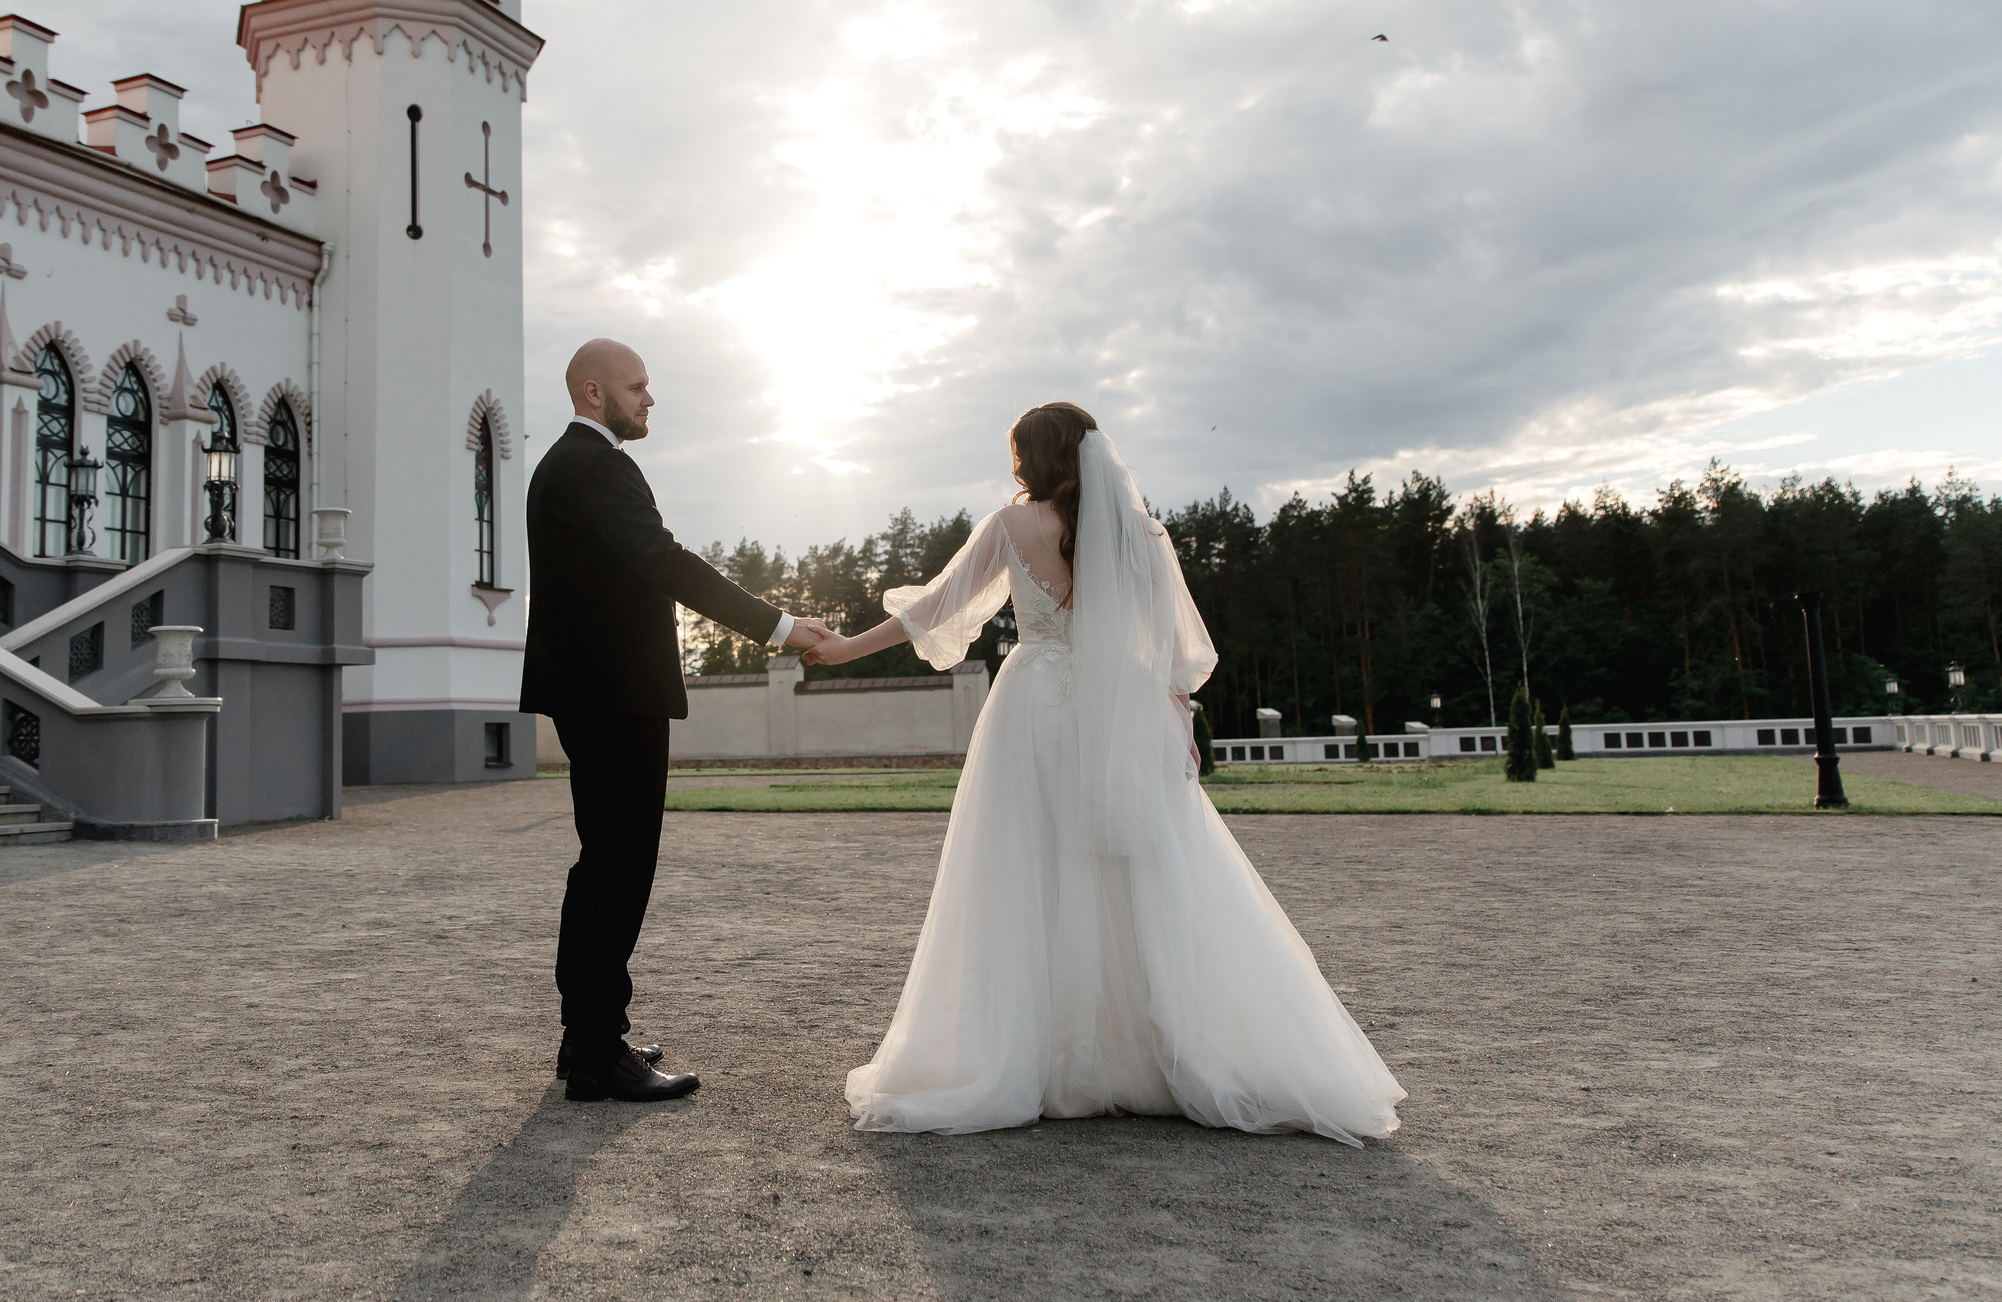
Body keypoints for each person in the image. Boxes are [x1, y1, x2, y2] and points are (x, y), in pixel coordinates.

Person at [801, 403, 1406, 1139]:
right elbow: (1165, 653)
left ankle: (1045, 1057)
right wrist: (1174, 725)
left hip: (1031, 709)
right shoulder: (1143, 535)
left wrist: (841, 649)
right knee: (1140, 874)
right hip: (1118, 712)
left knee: (1025, 871)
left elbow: (934, 609)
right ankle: (1146, 1054)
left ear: (1032, 457)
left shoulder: (1010, 527)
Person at [520, 339, 832, 1102]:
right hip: (613, 693)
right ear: (594, 393)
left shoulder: (569, 465)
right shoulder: (593, 465)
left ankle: (587, 1037)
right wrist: (780, 627)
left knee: (604, 861)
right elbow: (666, 561)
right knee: (618, 867)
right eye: (638, 388)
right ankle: (597, 1048)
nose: (649, 399)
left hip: (595, 690)